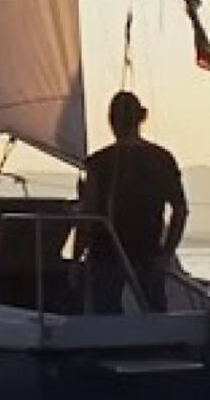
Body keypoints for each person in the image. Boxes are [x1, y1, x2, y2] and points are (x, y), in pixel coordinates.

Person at [78, 90, 189, 312]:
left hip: (106, 255)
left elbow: (88, 216)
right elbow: (180, 209)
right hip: (148, 253)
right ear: (140, 119)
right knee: (155, 315)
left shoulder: (98, 163)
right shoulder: (162, 159)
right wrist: (166, 253)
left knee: (104, 317)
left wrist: (75, 259)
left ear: (112, 121)